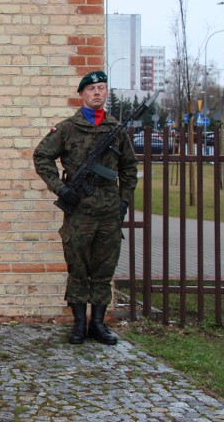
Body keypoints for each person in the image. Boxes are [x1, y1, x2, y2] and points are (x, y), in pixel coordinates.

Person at [33, 70, 138, 345]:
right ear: (81, 94)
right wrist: (61, 188)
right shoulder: (68, 128)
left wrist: (124, 200)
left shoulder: (116, 129)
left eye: (102, 88)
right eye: (92, 89)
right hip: (78, 209)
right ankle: (79, 324)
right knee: (78, 267)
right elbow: (42, 156)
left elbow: (129, 168)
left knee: (104, 268)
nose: (97, 93)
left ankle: (99, 325)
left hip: (108, 210)